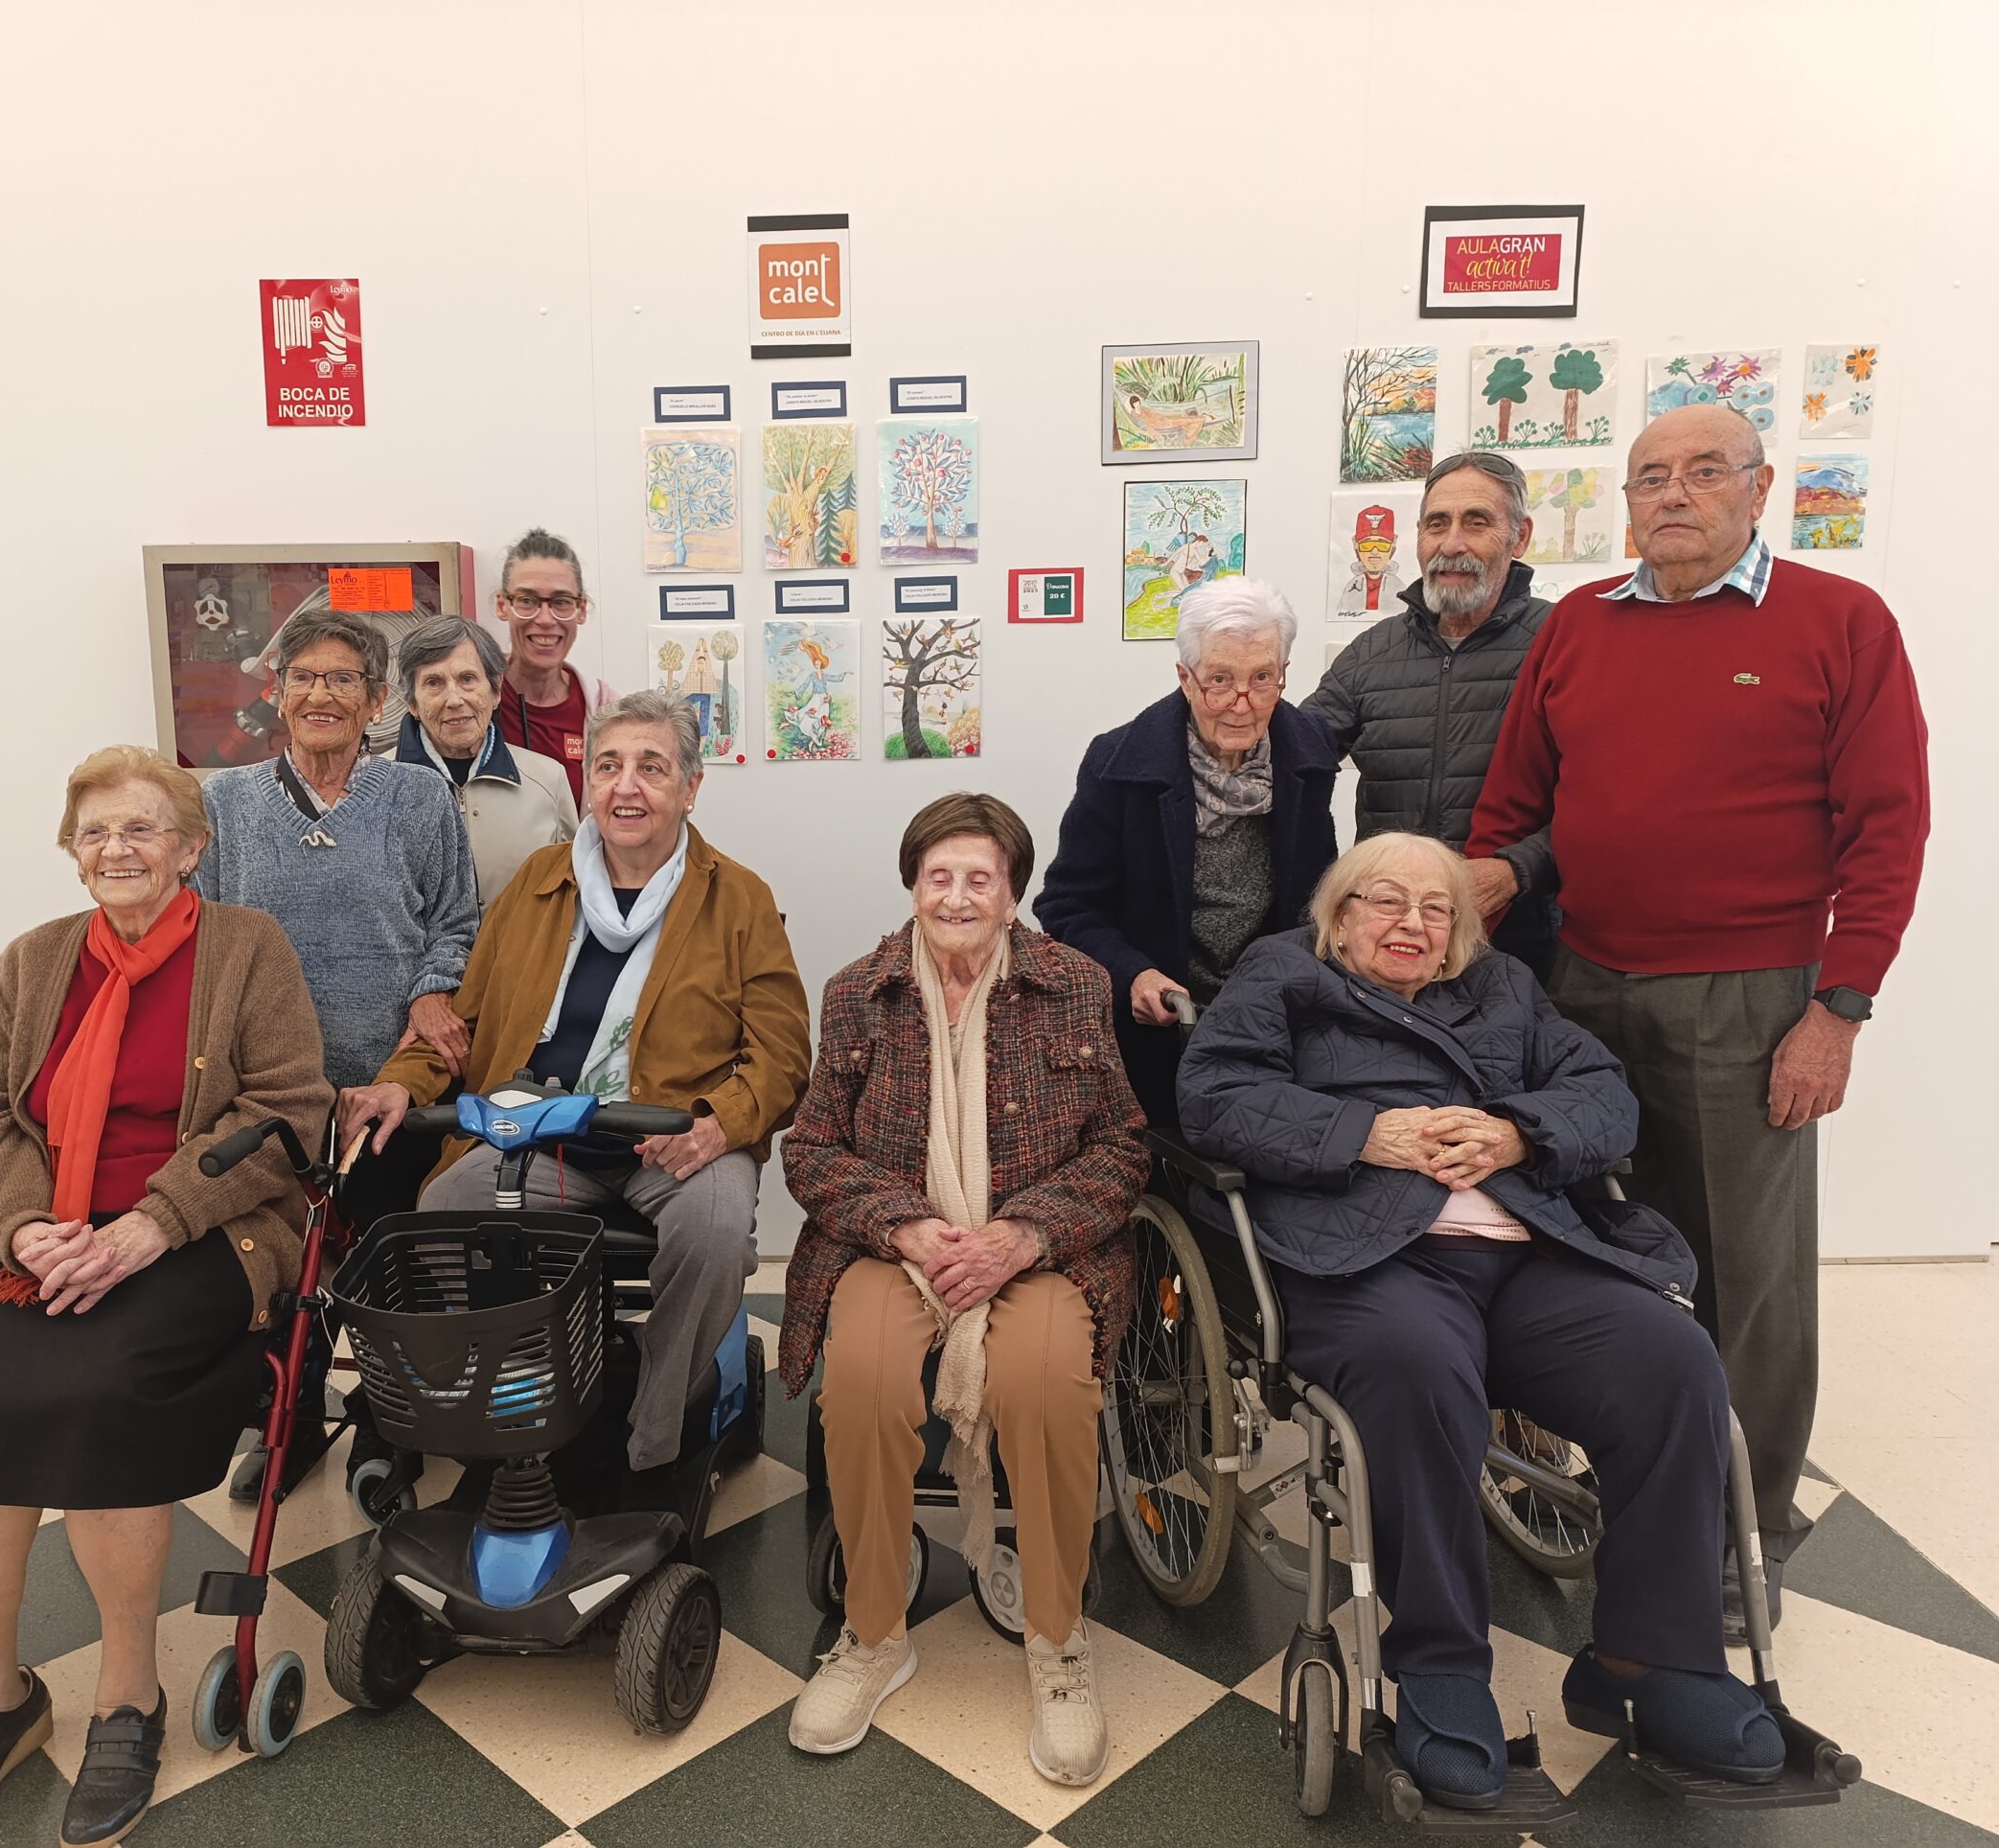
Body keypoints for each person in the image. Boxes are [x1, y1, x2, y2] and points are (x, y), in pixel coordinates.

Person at [1174, 831, 1784, 1813]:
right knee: (1414, 1365)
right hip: (1369, 1255)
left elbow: (1604, 1096)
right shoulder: (1281, 973)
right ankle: (1441, 1665)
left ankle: (1650, 1659)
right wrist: (1362, 1133)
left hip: (1527, 1252)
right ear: (1339, 913)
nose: (1412, 923)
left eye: (1436, 908)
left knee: (1674, 1357)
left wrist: (1517, 1133)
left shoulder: (1502, 987)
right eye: (1387, 901)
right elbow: (1213, 1098)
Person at [1468, 403, 1931, 1630]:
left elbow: (1888, 828)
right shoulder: (1579, 625)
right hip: (1583, 983)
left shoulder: (1839, 621)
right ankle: (1626, 1480)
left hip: (1748, 996)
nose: (1672, 494)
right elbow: (1514, 807)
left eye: (1702, 471)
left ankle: (1742, 1532)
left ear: (1759, 488)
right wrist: (1480, 922)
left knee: (1743, 1272)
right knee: (1587, 1247)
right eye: (1649, 477)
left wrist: (1837, 1010)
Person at [0, 746, 332, 1848]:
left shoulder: (248, 949)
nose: (115, 848)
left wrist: (153, 1221)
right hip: (45, 1237)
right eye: (94, 831)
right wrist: (23, 1224)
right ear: (72, 851)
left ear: (190, 848)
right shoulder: (33, 961)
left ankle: (127, 1693)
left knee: (102, 1392)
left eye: (141, 827)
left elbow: (286, 1110)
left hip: (198, 1234)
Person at [343, 690, 811, 1477]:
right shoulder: (538, 882)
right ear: (587, 782)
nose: (627, 787)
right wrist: (400, 1082)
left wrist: (718, 1125)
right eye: (608, 766)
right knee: (444, 1207)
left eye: (652, 768)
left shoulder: (738, 899)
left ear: (691, 788)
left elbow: (783, 1053)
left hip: (672, 1138)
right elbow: (465, 1020)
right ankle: (522, 1394)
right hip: (540, 1132)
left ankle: (653, 1434)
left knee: (715, 1233)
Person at [781, 795, 1147, 1787]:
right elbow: (811, 1149)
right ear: (911, 884)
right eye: (938, 875)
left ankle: (1058, 1640)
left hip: (1034, 1247)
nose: (956, 896)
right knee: (862, 1380)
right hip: (896, 1244)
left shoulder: (1074, 984)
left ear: (1012, 892)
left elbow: (1122, 1146)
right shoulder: (858, 992)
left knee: (1046, 1384)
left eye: (979, 877)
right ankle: (871, 1633)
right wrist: (905, 1224)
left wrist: (1020, 1235)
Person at [193, 604, 477, 1497]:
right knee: (281, 1258)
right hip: (268, 1085)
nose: (322, 694)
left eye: (343, 679)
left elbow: (457, 920)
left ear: (377, 700)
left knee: (388, 1255)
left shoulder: (419, 797)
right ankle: (292, 1418)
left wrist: (433, 988)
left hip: (388, 1080)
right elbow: (200, 935)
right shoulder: (226, 804)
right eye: (304, 678)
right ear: (278, 696)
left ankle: (389, 1425)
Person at [1034, 577, 1338, 1125]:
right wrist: (1134, 974)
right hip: (1161, 1030)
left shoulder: (1308, 755)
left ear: (1283, 674)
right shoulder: (1117, 763)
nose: (1242, 703)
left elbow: (1319, 897)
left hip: (1275, 1024)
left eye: (1262, 679)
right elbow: (1067, 907)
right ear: (1186, 678)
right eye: (1220, 680)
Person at [1301, 451, 1559, 978]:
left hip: (1521, 942)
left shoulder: (1563, 643)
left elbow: (1610, 798)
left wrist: (1517, 870)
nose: (1452, 544)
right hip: (1389, 945)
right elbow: (1293, 757)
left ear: (1520, 537)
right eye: (1436, 524)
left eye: (1477, 522)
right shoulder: (1370, 654)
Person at [384, 614, 576, 911]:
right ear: (412, 703)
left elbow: (573, 892)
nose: (454, 700)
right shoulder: (375, 785)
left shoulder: (548, 780)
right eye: (434, 682)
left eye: (467, 679)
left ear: (496, 690)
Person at [490, 527, 618, 808]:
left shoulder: (606, 711)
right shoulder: (473, 699)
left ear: (581, 609)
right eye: (527, 601)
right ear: (502, 605)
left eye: (561, 602)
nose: (546, 619)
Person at [1335, 501, 1407, 617]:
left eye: (1382, 545)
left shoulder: (1399, 587)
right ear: (1355, 544)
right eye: (1367, 545)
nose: (1374, 552)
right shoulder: (1350, 588)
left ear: (1393, 544)